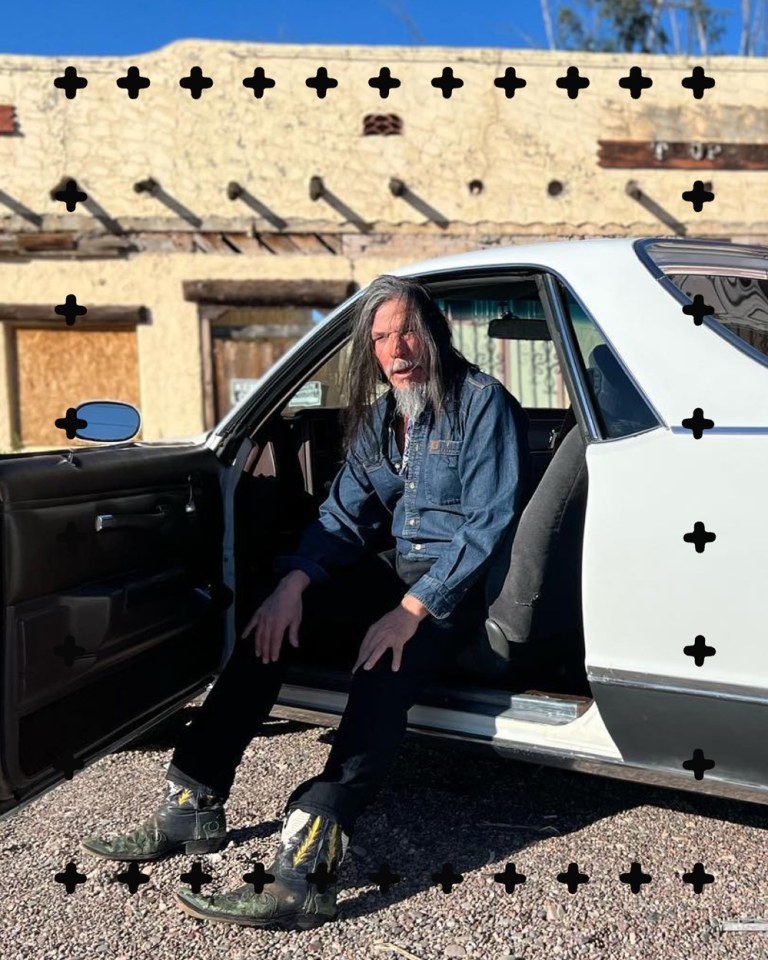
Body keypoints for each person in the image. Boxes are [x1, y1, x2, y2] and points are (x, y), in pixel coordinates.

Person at [81, 275, 529, 930]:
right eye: (380, 338)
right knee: (270, 624)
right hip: (398, 569)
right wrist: (294, 584)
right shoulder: (382, 418)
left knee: (382, 664)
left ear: (434, 331)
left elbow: (486, 526)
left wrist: (410, 610)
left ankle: (307, 873)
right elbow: (343, 517)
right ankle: (192, 802)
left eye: (406, 330)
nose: (395, 348)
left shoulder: (483, 403)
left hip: (456, 584)